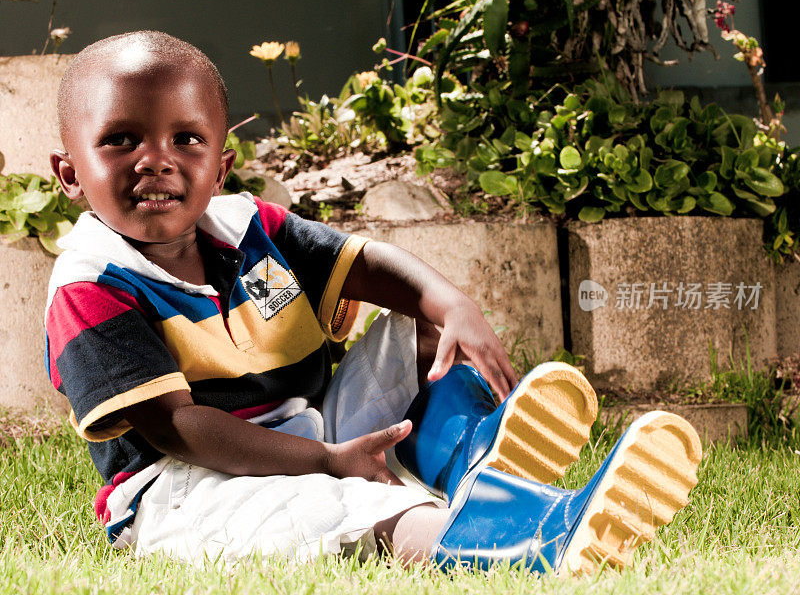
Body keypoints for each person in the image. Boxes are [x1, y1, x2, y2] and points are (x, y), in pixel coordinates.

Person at [44, 30, 702, 572]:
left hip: (308, 425)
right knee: (355, 509)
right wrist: (327, 464)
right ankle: (531, 539)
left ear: (220, 167)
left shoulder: (250, 229)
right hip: (185, 488)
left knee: (420, 326)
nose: (156, 160)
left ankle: (467, 453)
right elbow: (178, 430)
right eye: (121, 139)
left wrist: (452, 306)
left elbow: (363, 264)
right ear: (70, 172)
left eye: (185, 139)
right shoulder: (92, 287)